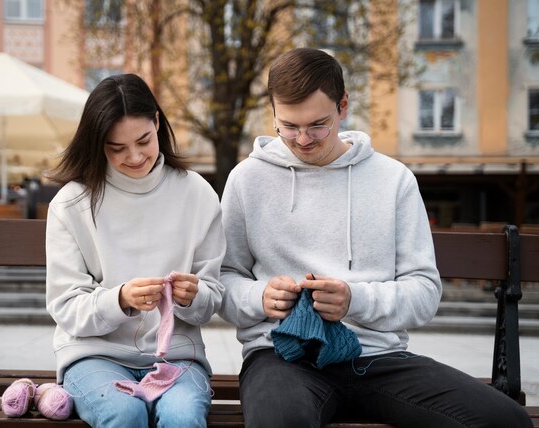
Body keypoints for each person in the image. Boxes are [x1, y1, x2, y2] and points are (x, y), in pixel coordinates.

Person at [218, 48, 532, 428]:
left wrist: (355, 300)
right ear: (272, 112)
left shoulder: (393, 179)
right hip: (281, 355)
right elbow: (225, 282)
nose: (301, 140)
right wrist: (260, 296)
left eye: (318, 125)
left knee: (505, 421)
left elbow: (424, 292)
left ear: (343, 105)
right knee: (280, 422)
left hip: (377, 359)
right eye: (287, 126)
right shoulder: (246, 180)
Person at [45, 73, 226, 428]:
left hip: (178, 356)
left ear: (157, 122)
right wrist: (121, 300)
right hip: (94, 355)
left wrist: (193, 296)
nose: (135, 156)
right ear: (98, 144)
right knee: (124, 412)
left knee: (183, 416)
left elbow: (213, 296)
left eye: (144, 140)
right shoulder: (71, 203)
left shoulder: (197, 194)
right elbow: (65, 306)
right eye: (117, 148)